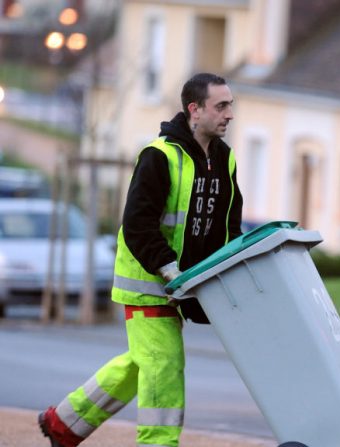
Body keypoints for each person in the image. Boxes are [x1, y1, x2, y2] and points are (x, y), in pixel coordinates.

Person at [38, 73, 243, 447]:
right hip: (149, 284)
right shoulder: (159, 156)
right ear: (194, 110)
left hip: (181, 285)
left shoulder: (223, 160)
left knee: (142, 362)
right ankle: (157, 443)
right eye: (221, 106)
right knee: (164, 366)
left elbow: (226, 227)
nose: (230, 114)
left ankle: (63, 423)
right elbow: (136, 225)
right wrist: (170, 271)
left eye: (231, 105)